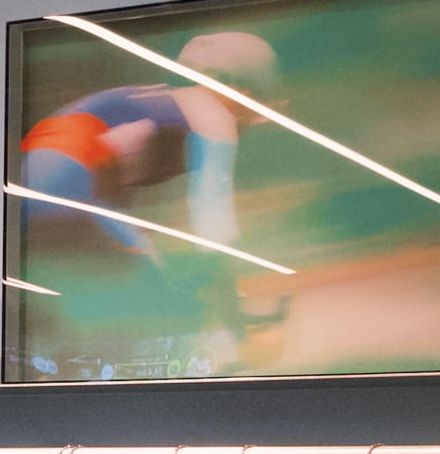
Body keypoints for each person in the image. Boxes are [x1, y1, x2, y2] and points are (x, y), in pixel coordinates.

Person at [16, 31, 281, 378]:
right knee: (172, 306)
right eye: (255, 110)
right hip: (69, 187)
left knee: (138, 285)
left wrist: (159, 264)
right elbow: (216, 238)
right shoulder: (214, 118)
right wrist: (238, 332)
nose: (249, 123)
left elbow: (106, 197)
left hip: (34, 183)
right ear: (242, 94)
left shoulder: (162, 104)